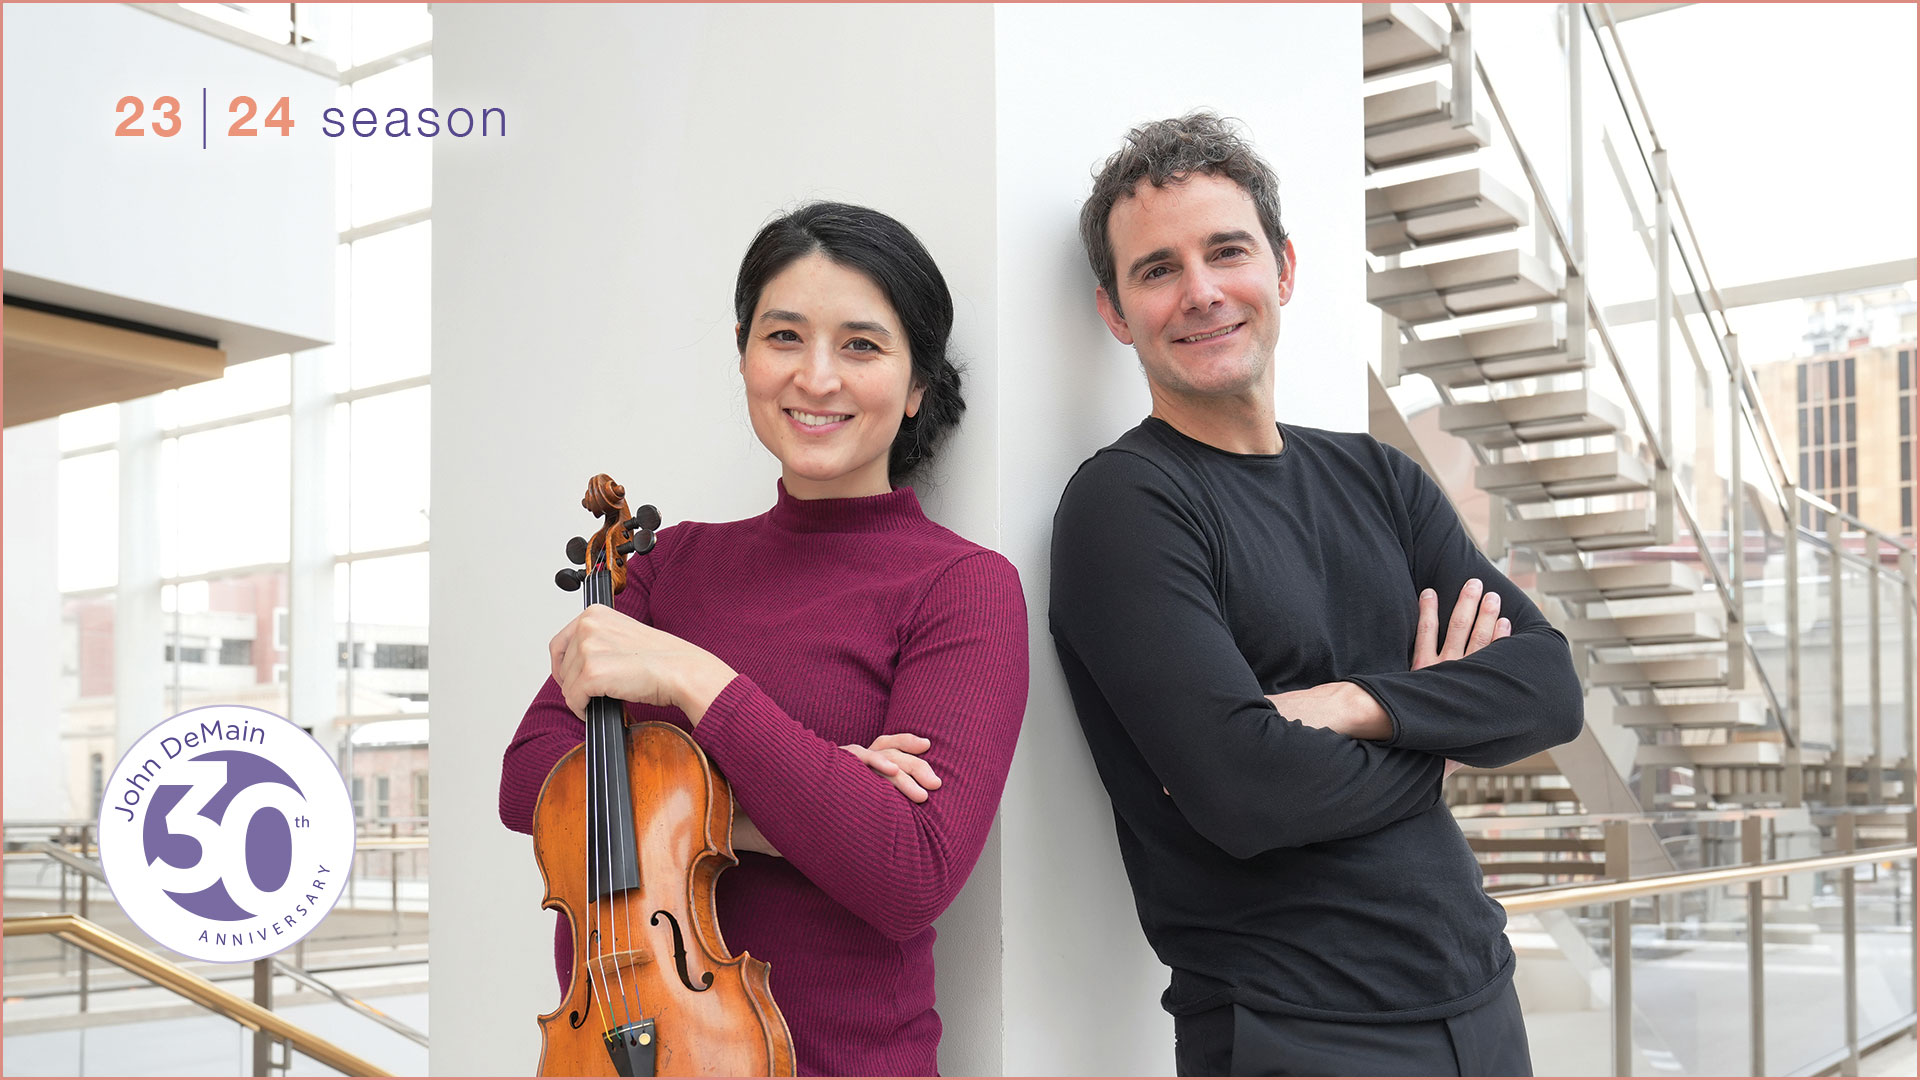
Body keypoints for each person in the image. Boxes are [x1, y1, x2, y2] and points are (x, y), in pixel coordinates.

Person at [1047, 112, 1585, 1076]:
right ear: (1116, 313)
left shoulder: (1379, 477)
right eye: (1158, 270)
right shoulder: (1125, 505)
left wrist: (1353, 704)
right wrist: (1444, 730)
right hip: (1293, 1024)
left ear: (1283, 269)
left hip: (1479, 993)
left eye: (1227, 251)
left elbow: (1547, 687)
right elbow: (1243, 791)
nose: (1202, 292)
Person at [499, 202, 1028, 1077]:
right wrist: (812, 804)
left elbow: (908, 870)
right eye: (784, 336)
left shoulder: (964, 587)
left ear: (918, 384)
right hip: (608, 1048)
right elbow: (530, 789)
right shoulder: (667, 562)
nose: (816, 378)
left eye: (861, 345)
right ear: (746, 353)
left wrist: (692, 678)